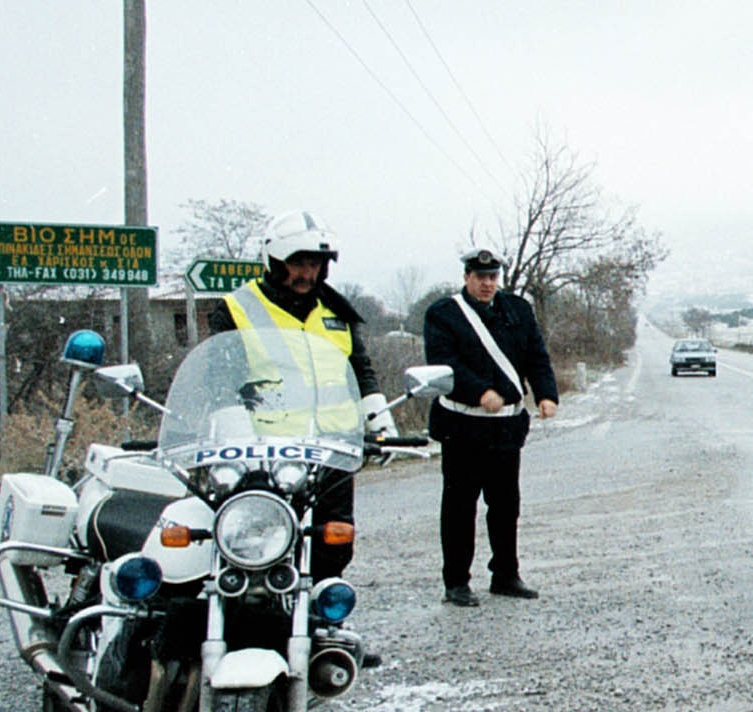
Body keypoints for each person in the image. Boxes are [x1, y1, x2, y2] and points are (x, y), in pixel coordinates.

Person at [208, 209, 394, 583]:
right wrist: (236, 434)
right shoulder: (237, 308)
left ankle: (323, 618)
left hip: (332, 447)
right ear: (275, 261)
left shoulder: (336, 311)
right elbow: (220, 381)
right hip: (267, 451)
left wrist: (378, 418)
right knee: (264, 541)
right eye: (299, 264)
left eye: (315, 265)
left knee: (334, 543)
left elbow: (360, 368)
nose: (307, 275)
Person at [423, 248, 558, 606]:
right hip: (463, 426)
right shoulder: (444, 314)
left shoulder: (518, 309)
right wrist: (479, 391)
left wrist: (546, 394)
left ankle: (505, 574)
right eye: (481, 277)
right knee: (459, 506)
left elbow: (535, 355)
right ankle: (456, 581)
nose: (487, 284)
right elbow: (442, 362)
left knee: (505, 504)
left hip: (504, 427)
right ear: (467, 277)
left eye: (492, 277)